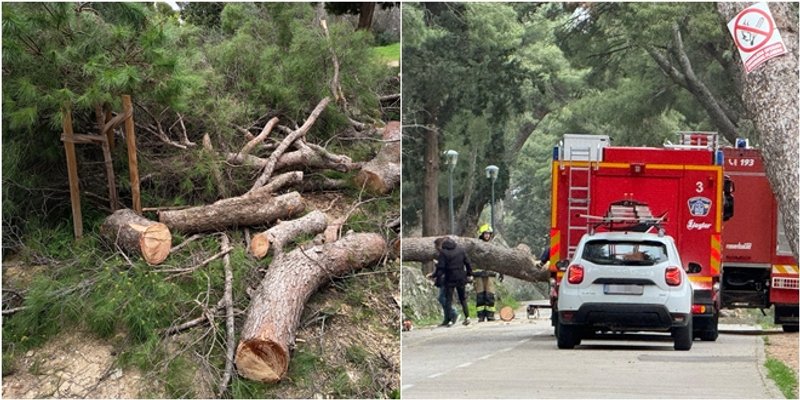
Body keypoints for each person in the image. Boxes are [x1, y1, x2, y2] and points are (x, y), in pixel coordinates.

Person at [433, 236, 473, 326]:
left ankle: (450, 320)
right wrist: (469, 273)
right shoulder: (461, 250)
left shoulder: (443, 253)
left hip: (450, 278)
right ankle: (467, 317)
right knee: (462, 298)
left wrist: (437, 277)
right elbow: (468, 262)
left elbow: (441, 267)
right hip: (461, 277)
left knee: (449, 299)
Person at [427, 237, 457, 326]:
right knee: (444, 298)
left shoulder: (446, 254)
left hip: (448, 278)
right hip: (443, 278)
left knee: (442, 298)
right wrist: (433, 274)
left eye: (437, 246)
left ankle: (453, 312)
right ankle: (447, 318)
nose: (436, 248)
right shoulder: (441, 254)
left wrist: (436, 269)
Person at [474, 224, 500, 322]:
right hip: (479, 274)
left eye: (488, 234)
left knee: (490, 295)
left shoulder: (493, 246)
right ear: (482, 234)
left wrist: (501, 271)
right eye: (485, 234)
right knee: (480, 296)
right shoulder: (477, 246)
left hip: (490, 274)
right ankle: (481, 316)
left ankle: (490, 315)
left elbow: (498, 259)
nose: (487, 235)